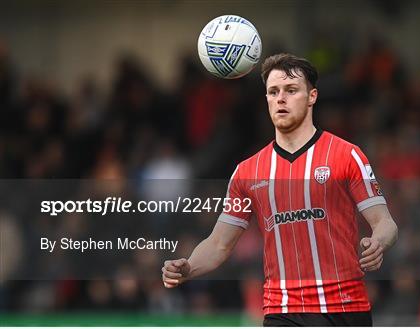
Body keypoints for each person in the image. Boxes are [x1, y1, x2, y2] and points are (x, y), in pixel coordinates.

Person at [162, 53, 398, 326]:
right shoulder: (247, 172)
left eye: (291, 90)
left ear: (312, 97)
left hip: (344, 308)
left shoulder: (346, 155)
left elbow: (385, 222)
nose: (281, 98)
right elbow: (219, 243)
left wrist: (377, 243)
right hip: (281, 310)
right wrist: (189, 267)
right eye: (273, 91)